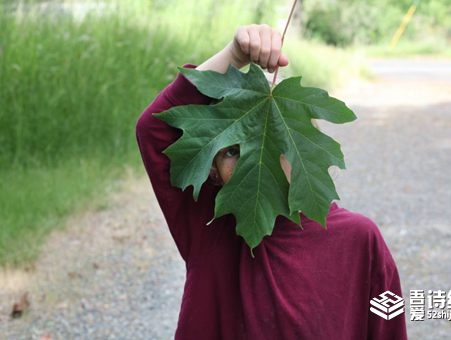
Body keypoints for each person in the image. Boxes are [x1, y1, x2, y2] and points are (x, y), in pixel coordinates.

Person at [136, 24, 407, 340]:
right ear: (213, 171)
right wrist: (233, 56)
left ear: (303, 147)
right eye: (233, 152)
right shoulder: (210, 224)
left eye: (275, 142)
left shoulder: (359, 239)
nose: (255, 160)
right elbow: (153, 129)